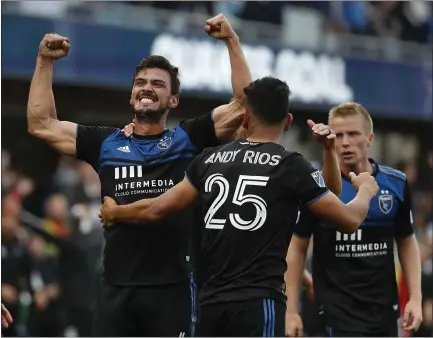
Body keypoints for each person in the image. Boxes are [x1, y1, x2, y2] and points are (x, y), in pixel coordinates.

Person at [27, 13, 253, 337]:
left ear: (173, 100)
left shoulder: (187, 139)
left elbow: (244, 103)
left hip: (172, 289)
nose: (147, 88)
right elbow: (41, 123)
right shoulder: (104, 142)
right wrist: (44, 61)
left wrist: (231, 40)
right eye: (141, 83)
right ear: (132, 94)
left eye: (158, 84)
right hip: (116, 289)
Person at [99, 77, 379, 337]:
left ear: (245, 117)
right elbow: (348, 218)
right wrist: (365, 189)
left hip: (209, 304)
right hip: (259, 303)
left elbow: (156, 209)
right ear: (288, 122)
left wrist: (116, 212)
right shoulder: (290, 165)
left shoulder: (207, 160)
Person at [285, 102, 423, 337]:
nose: (345, 142)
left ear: (369, 139)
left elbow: (407, 241)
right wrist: (290, 312)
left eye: (353, 134)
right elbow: (297, 247)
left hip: (383, 314)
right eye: (338, 135)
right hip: (332, 313)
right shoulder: (315, 186)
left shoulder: (396, 183)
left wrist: (415, 298)